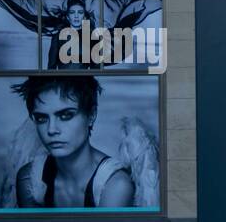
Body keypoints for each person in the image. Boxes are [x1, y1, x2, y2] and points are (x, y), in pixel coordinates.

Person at [11, 75, 135, 208]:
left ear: (91, 115)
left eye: (65, 116)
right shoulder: (30, 179)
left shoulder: (115, 185)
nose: (51, 130)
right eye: (41, 118)